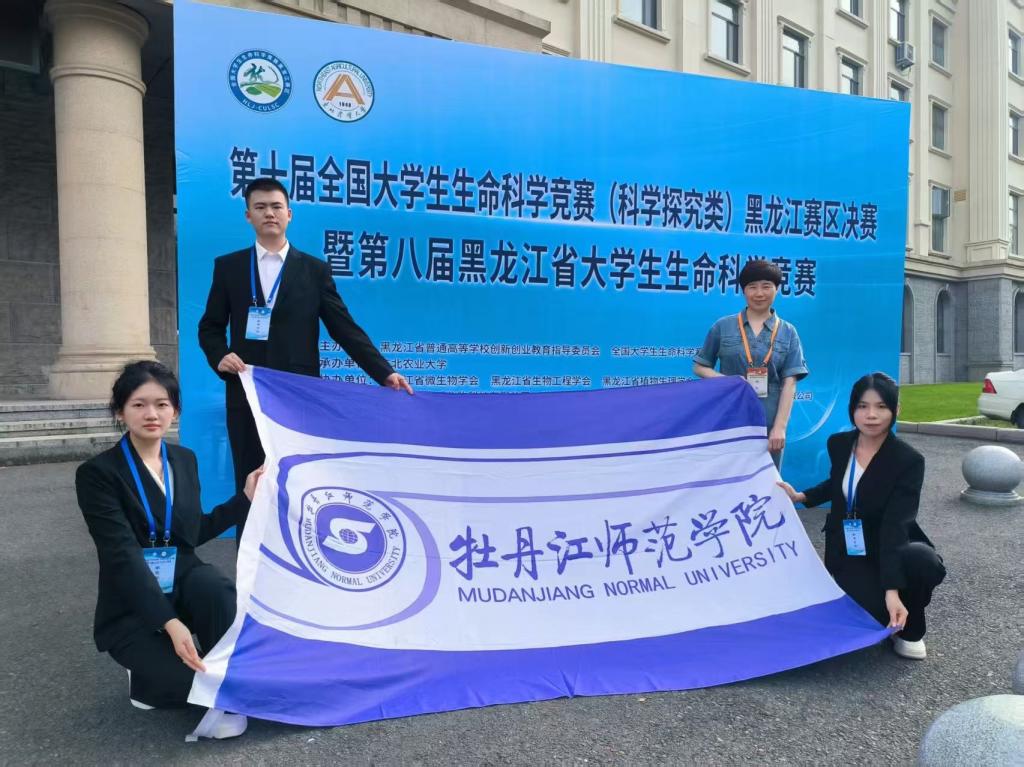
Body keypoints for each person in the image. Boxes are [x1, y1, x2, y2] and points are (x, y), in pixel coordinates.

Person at [198, 177, 412, 538]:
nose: (269, 213)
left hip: (298, 398)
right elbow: (210, 327)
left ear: (289, 214)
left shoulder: (314, 270)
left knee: (299, 479)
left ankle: (299, 563)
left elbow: (344, 328)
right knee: (250, 481)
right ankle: (249, 565)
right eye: (260, 207)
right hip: (247, 395)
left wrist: (384, 373)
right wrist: (220, 355)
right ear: (248, 215)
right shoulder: (229, 267)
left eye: (276, 206)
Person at [75, 361, 263, 737]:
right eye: (139, 404)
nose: (152, 414)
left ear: (175, 411)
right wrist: (170, 622)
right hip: (132, 600)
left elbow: (191, 534)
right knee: (183, 689)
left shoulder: (183, 459)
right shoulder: (98, 473)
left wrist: (244, 499)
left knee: (215, 587)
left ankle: (223, 668)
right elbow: (122, 556)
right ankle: (146, 675)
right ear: (120, 411)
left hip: (184, 582)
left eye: (162, 404)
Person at [777, 372, 946, 660]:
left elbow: (896, 525)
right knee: (866, 616)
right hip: (849, 549)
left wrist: (892, 588)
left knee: (923, 562)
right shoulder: (839, 443)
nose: (871, 415)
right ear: (852, 409)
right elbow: (838, 483)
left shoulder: (908, 460)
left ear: (895, 410)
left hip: (891, 544)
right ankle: (888, 613)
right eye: (862, 406)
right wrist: (802, 497)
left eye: (881, 407)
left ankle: (911, 629)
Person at [693, 260, 808, 468]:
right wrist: (729, 381)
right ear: (743, 290)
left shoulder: (788, 332)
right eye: (752, 287)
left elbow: (790, 383)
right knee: (725, 475)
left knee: (767, 480)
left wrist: (780, 428)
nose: (759, 293)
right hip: (728, 418)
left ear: (777, 289)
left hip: (769, 423)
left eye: (766, 286)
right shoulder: (723, 326)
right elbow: (700, 367)